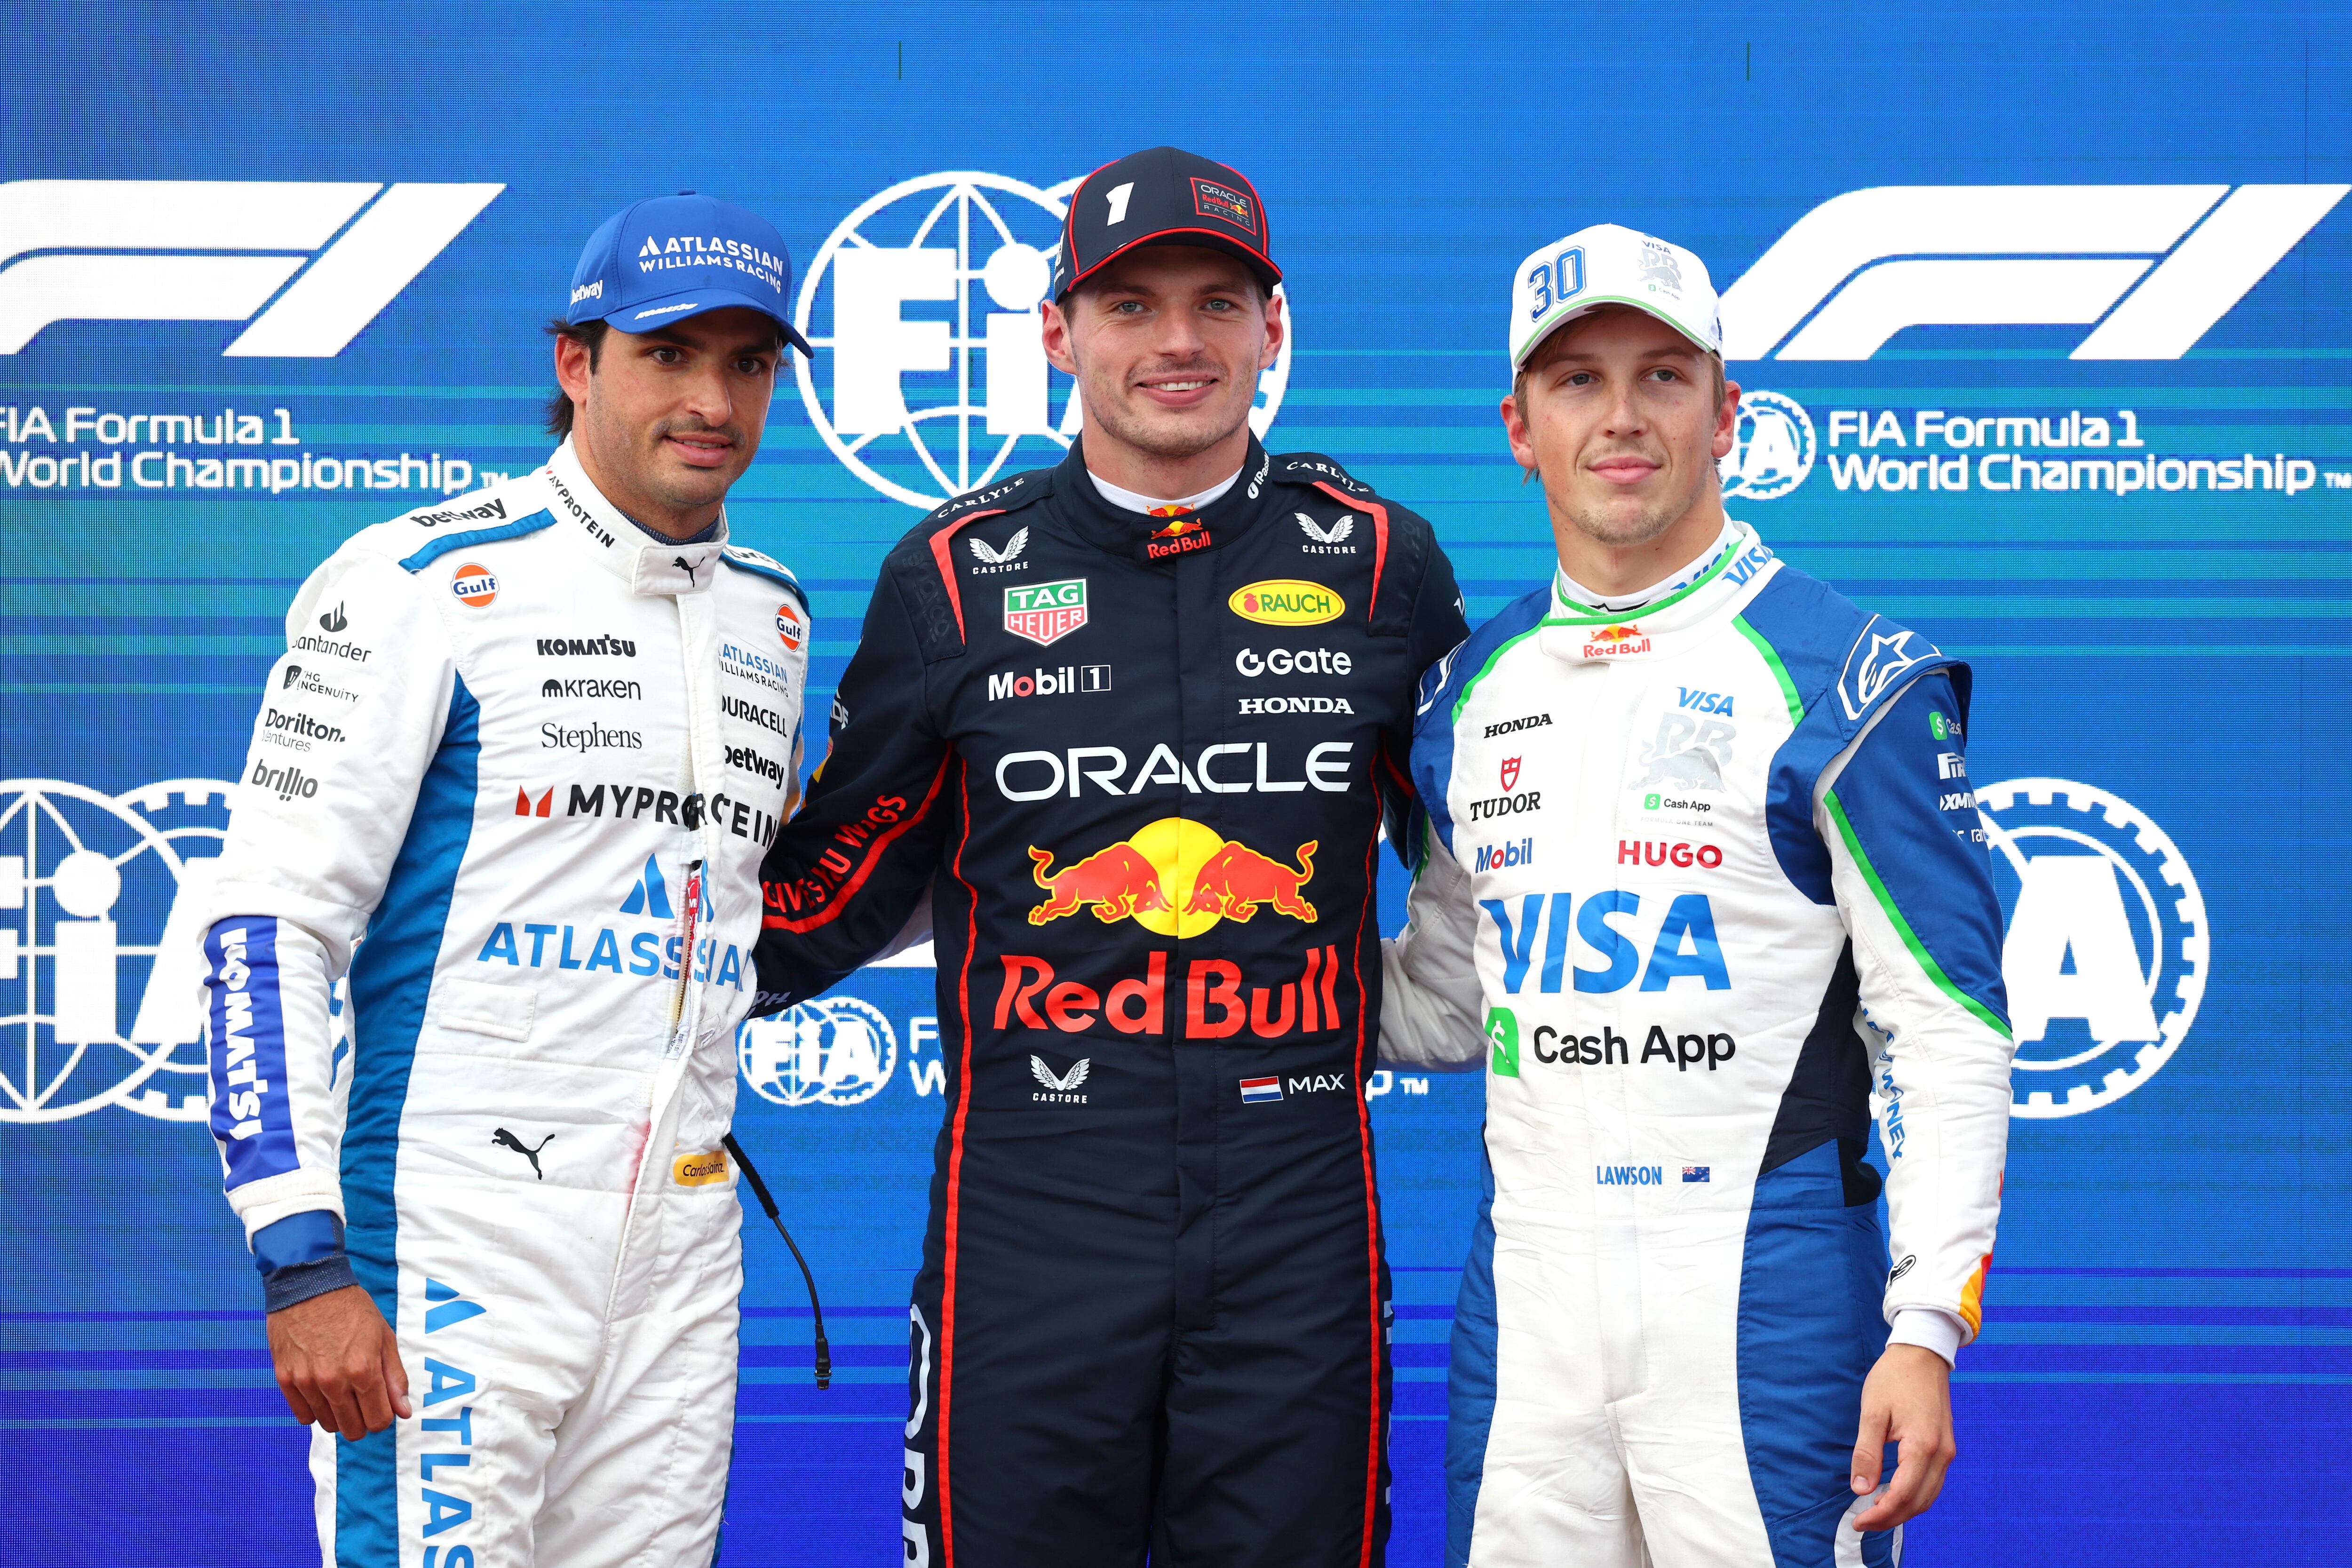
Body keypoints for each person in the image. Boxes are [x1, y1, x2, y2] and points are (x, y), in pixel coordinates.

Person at [753, 145, 1467, 1567]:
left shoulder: (1381, 562)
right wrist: (620, 969)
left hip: (1297, 1215)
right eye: (1131, 306)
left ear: (1273, 330)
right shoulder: (952, 575)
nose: (1178, 342)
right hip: (1033, 1213)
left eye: (1217, 304)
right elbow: (836, 882)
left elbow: (1495, 848)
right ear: (1057, 334)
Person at [1379, 223, 2014, 1568]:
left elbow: (1947, 1029)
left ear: (1727, 415)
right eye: (1578, 381)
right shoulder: (1465, 694)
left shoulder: (1853, 679)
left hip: (1765, 1284)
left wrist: (1925, 1328)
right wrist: (1172, 946)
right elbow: (1441, 1005)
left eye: (1663, 378)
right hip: (1528, 1299)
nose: (1621, 418)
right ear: (1521, 428)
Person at [201, 190, 816, 1567]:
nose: (712, 401)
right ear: (576, 363)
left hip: (682, 1247)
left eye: (748, 363)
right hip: (455, 1237)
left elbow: (752, 904)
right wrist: (301, 1257)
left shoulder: (771, 612)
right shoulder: (421, 580)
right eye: (669, 355)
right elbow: (267, 925)